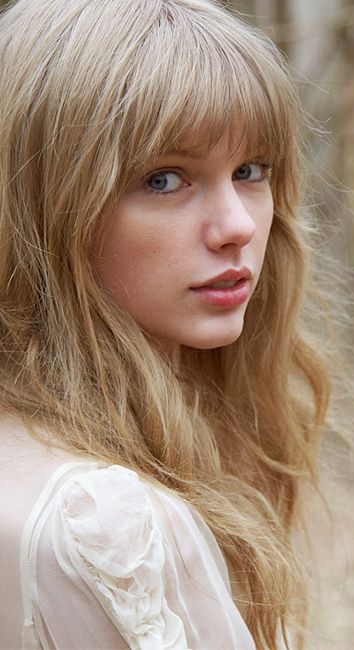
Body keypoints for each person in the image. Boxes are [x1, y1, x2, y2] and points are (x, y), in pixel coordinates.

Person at [0, 0, 332, 648]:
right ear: (46, 206)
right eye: (164, 178)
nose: (238, 224)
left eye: (250, 171)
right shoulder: (111, 525)